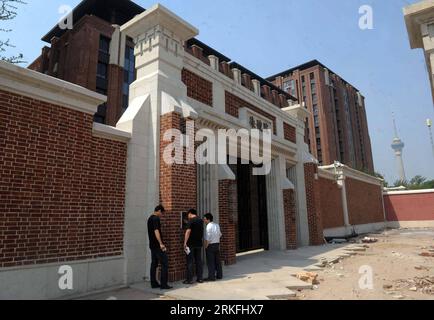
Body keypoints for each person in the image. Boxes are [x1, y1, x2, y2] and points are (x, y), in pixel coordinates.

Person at [147, 205, 172, 290]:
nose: (161, 215)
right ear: (159, 211)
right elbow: (156, 230)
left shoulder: (149, 218)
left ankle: (153, 283)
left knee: (154, 264)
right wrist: (161, 243)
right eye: (161, 213)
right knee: (165, 263)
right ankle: (164, 284)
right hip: (158, 246)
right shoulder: (156, 218)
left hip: (152, 245)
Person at [183, 209, 204, 284]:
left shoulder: (191, 220)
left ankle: (189, 279)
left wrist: (185, 242)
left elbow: (188, 231)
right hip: (198, 244)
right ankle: (200, 278)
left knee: (190, 262)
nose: (187, 216)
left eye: (188, 215)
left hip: (191, 244)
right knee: (198, 261)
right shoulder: (200, 220)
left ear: (190, 213)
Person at [203, 213, 223, 281]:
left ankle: (211, 277)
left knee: (210, 262)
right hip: (217, 244)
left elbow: (207, 238)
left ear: (208, 219)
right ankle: (219, 275)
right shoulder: (216, 225)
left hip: (210, 245)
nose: (204, 220)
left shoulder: (208, 226)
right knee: (217, 261)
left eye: (205, 219)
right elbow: (220, 234)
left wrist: (206, 246)